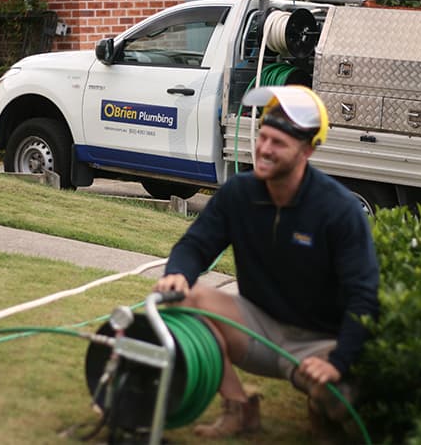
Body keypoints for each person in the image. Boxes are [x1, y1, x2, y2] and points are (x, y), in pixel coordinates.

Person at [154, 85, 379, 443]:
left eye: (278, 143)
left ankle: (324, 416)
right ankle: (240, 409)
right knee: (184, 298)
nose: (264, 149)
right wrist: (178, 274)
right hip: (258, 327)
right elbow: (195, 246)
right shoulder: (238, 193)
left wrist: (337, 361)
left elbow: (364, 297)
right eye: (263, 137)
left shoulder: (338, 210)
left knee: (339, 400)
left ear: (307, 150)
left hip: (319, 341)